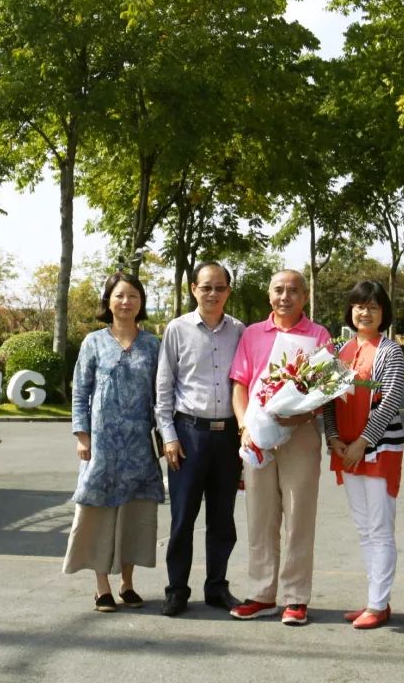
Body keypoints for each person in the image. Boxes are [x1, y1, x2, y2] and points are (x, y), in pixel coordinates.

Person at [228, 269, 330, 626]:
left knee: (298, 516)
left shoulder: (318, 335)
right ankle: (261, 593)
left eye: (293, 291)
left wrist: (300, 414)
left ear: (304, 296)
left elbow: (325, 389)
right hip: (256, 433)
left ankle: (296, 597)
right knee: (260, 515)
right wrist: (244, 426)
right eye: (278, 290)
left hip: (299, 433)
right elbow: (240, 383)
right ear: (269, 295)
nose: (284, 296)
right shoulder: (252, 333)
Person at [62, 272, 164, 613]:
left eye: (133, 296)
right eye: (120, 295)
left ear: (141, 303)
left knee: (134, 513)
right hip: (101, 445)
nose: (126, 302)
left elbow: (162, 397)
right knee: (97, 513)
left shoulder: (152, 345)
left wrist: (166, 438)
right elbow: (80, 392)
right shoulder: (93, 342)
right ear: (108, 301)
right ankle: (101, 586)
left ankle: (128, 584)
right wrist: (82, 435)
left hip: (139, 446)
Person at [155, 261, 246, 617]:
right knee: (182, 519)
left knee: (223, 520)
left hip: (227, 439)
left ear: (228, 291)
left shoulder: (239, 331)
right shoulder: (177, 330)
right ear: (193, 289)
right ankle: (177, 588)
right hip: (187, 436)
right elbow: (164, 387)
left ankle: (216, 587)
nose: (212, 293)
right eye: (206, 287)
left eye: (219, 287)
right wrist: (168, 435)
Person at [324, 281, 404, 630]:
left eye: (372, 306)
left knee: (380, 528)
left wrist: (363, 442)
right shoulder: (340, 352)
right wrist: (332, 438)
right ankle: (376, 601)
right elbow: (326, 398)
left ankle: (378, 603)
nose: (365, 312)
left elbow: (390, 401)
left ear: (383, 312)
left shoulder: (391, 351)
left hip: (379, 449)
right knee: (363, 528)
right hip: (346, 449)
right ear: (351, 311)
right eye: (359, 306)